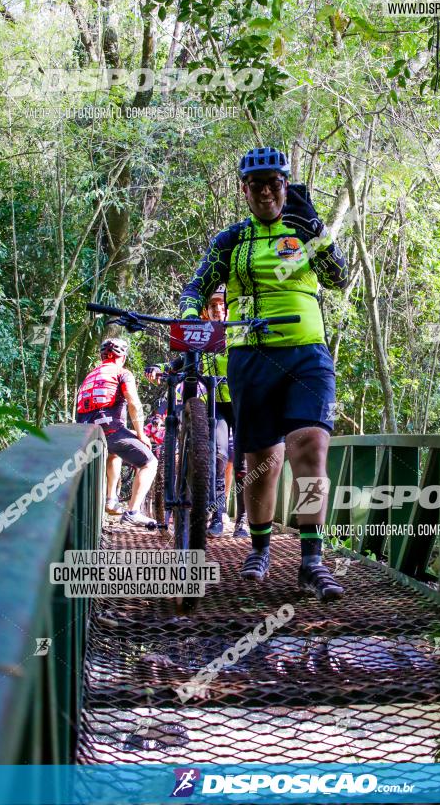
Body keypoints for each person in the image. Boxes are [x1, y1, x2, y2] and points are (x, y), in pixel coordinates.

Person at [179, 146, 349, 601]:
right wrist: (190, 311)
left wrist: (318, 230)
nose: (267, 191)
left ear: (285, 184)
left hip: (306, 354)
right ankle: (259, 547)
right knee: (262, 460)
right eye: (257, 185)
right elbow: (198, 284)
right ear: (245, 190)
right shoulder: (230, 241)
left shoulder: (301, 230)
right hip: (250, 356)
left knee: (310, 445)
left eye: (275, 183)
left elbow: (339, 278)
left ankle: (312, 558)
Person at [145, 287, 249, 538]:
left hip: (242, 401)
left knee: (244, 463)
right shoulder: (203, 337)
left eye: (222, 305)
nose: (218, 309)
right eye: (213, 306)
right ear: (206, 310)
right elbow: (180, 362)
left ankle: (243, 520)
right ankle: (217, 515)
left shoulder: (240, 331)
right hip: (216, 404)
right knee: (218, 455)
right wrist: (161, 368)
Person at [76, 338, 157, 526]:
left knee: (114, 454)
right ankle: (133, 511)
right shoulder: (122, 373)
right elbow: (134, 404)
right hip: (110, 432)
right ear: (123, 357)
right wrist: (141, 435)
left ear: (101, 356)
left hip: (86, 433)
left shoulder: (90, 375)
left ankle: (111, 499)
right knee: (149, 462)